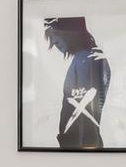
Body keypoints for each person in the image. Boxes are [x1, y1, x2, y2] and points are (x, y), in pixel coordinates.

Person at [44, 17, 111, 150]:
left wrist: (82, 150)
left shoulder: (86, 59)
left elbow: (86, 113)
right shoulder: (89, 57)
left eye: (55, 35)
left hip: (79, 147)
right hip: (79, 146)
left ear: (70, 31)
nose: (55, 42)